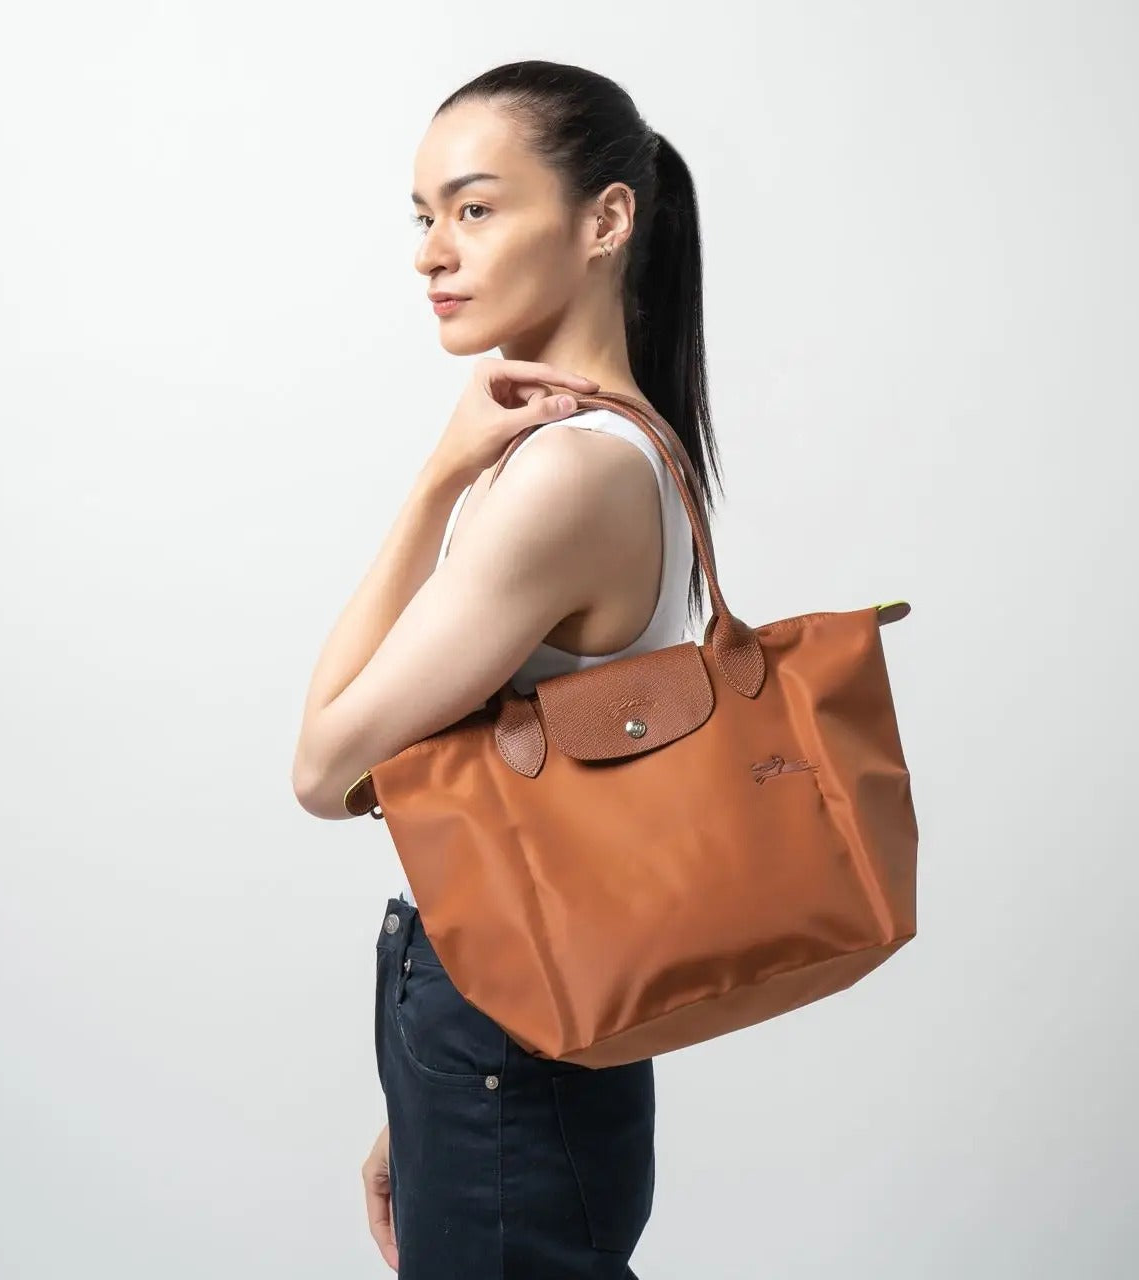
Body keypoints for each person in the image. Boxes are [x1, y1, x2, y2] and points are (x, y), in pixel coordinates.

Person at [291, 58, 723, 1278]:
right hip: (517, 1029)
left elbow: (326, 765)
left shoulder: (568, 474)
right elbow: (554, 832)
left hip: (505, 1045)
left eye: (474, 209)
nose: (432, 250)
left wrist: (433, 479)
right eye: (423, 216)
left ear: (605, 220)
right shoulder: (628, 448)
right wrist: (425, 1104)